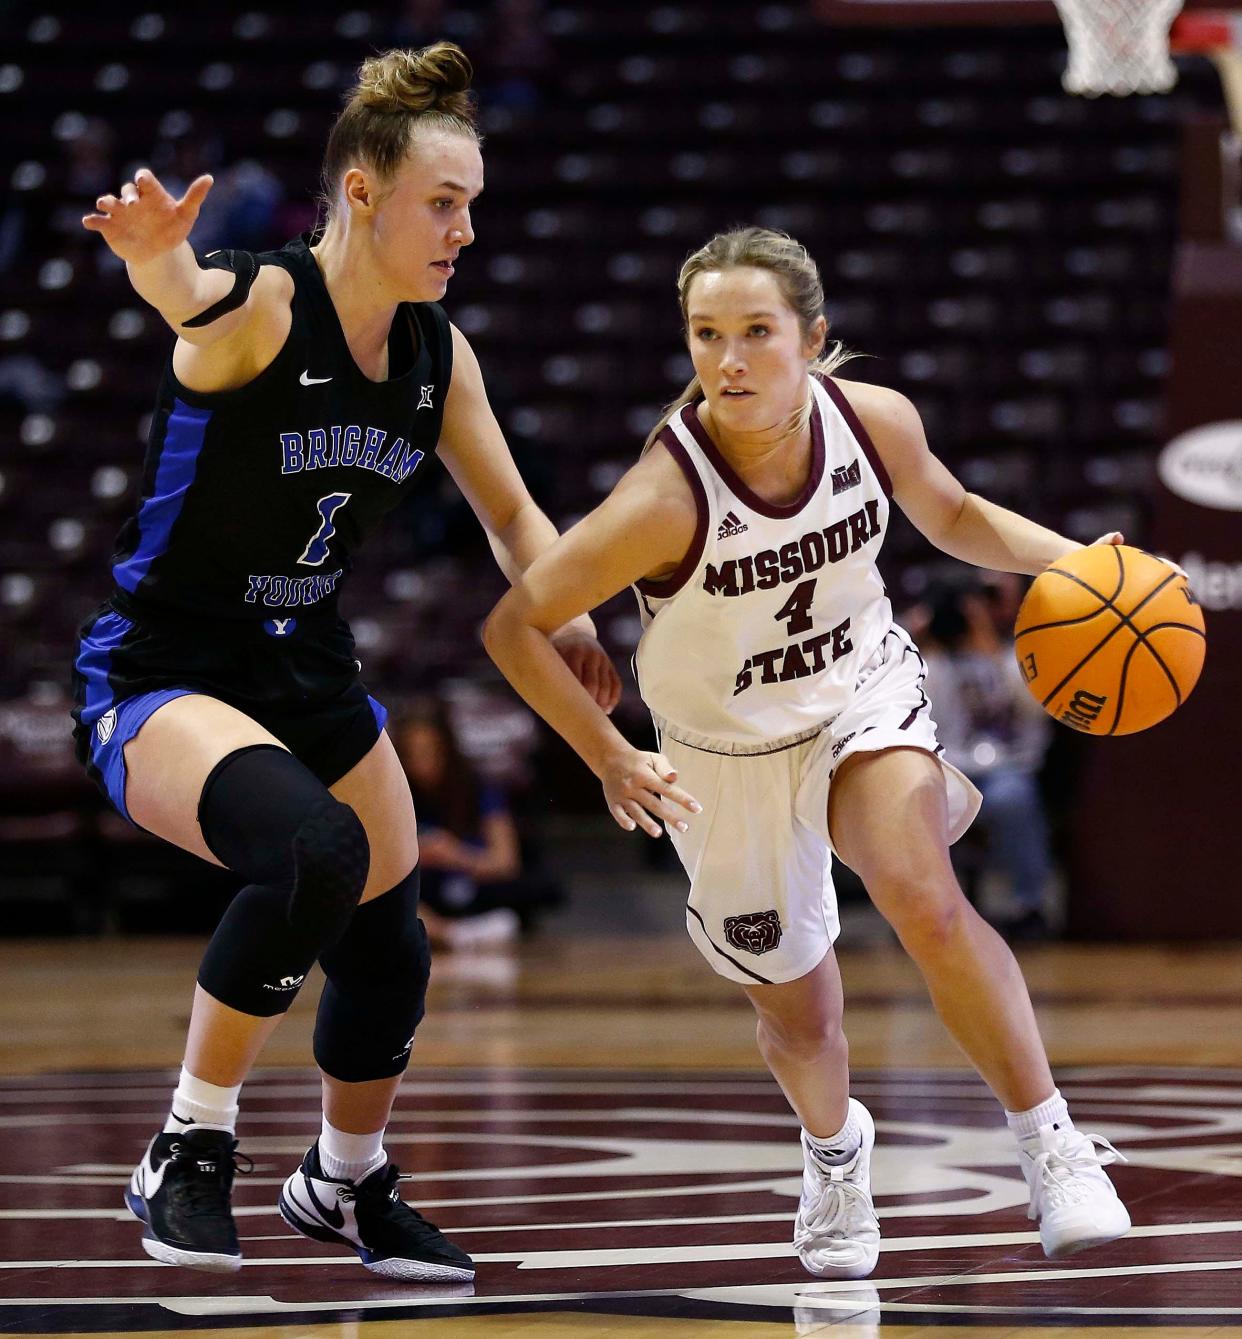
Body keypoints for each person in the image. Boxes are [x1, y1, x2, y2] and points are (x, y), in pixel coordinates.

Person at [483, 227, 1131, 1279]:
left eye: (755, 333)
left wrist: (1087, 562)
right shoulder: (664, 497)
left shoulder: (873, 424)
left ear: (812, 338)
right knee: (801, 1011)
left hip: (855, 694)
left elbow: (956, 514)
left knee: (922, 894)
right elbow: (514, 625)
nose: (727, 360)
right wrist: (606, 753)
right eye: (705, 335)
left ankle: (1052, 1145)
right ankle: (835, 1153)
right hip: (724, 756)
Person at [73, 42, 619, 1281]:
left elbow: (516, 519)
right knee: (312, 850)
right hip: (164, 668)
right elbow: (188, 308)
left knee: (391, 930)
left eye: (474, 203)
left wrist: (571, 609)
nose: (465, 229)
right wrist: (157, 257)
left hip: (304, 666)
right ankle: (186, 1143)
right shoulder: (268, 303)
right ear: (361, 194)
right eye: (445, 201)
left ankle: (345, 1181)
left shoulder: (440, 353)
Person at [918, 576, 1058, 940]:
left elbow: (1036, 709)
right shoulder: (934, 663)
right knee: (913, 803)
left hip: (1009, 766)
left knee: (1010, 800)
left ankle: (1030, 905)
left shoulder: (1018, 657)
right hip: (950, 766)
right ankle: (928, 909)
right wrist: (918, 640)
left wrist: (990, 648)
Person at [394, 694, 563, 946]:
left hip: (472, 883)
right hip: (423, 891)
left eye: (430, 752)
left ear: (448, 749)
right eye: (412, 755)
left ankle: (459, 929)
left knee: (530, 889)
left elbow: (505, 862)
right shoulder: (394, 791)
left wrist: (454, 854)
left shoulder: (478, 787)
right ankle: (452, 932)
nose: (422, 764)